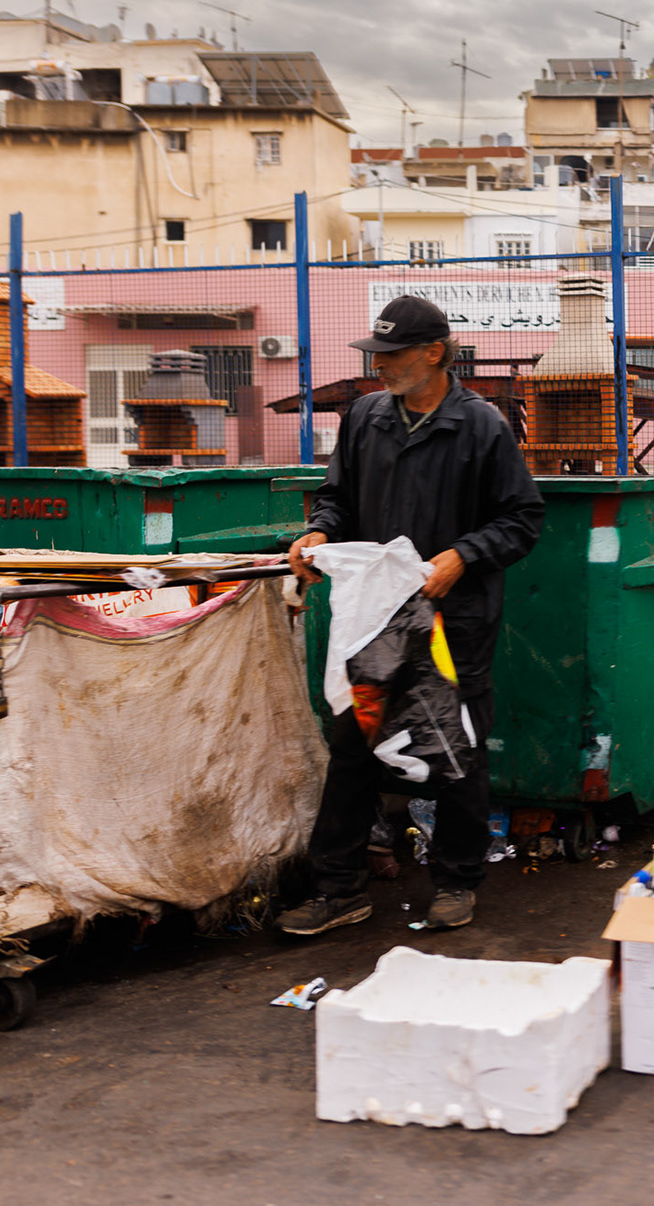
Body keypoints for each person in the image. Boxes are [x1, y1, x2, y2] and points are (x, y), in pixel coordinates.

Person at [279, 295, 544, 934]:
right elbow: (338, 500)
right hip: (377, 620)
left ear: (434, 353)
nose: (382, 368)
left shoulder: (480, 426)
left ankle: (457, 880)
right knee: (353, 748)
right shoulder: (366, 419)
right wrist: (318, 532)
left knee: (457, 749)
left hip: (454, 621)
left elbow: (523, 519)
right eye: (378, 356)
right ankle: (338, 888)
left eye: (394, 356)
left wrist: (462, 555)